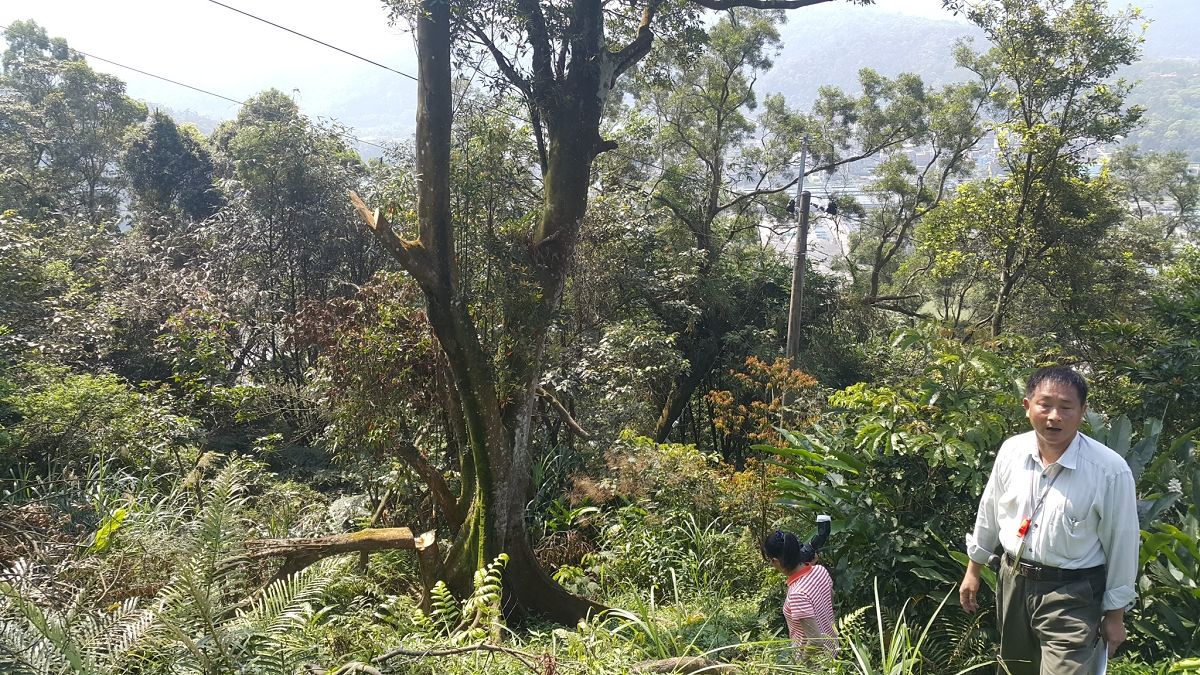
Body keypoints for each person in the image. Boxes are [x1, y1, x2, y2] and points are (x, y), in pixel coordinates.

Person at [960, 365, 1139, 675]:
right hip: (1014, 581)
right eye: (1045, 404)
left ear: (1083, 411)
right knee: (1016, 670)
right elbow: (990, 511)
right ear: (1028, 406)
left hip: (1074, 593)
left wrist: (1115, 614)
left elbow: (1123, 544)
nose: (1054, 415)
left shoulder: (1109, 470)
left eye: (1066, 407)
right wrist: (973, 568)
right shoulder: (1011, 452)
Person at [762, 515, 837, 659]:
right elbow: (829, 600)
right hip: (833, 650)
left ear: (776, 561)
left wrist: (802, 666)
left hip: (816, 665)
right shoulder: (820, 571)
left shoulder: (797, 594)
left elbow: (815, 641)